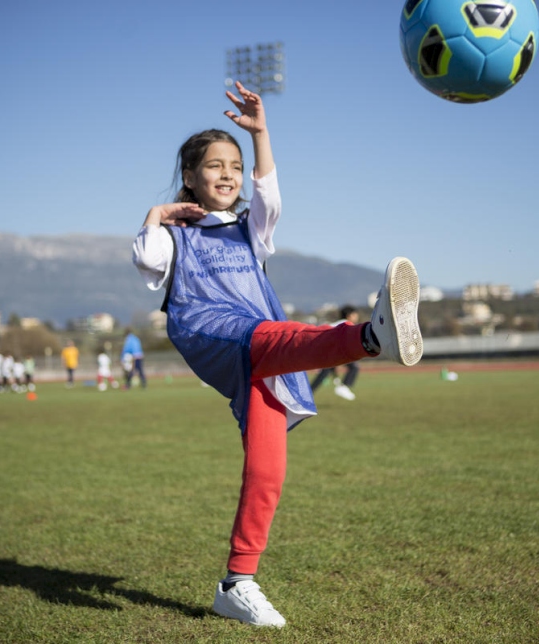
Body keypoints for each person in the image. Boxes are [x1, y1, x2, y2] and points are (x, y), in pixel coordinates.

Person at [131, 81, 422, 628]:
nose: (228, 175)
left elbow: (271, 198)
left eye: (235, 166)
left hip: (263, 348)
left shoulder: (250, 231)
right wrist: (155, 213)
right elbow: (146, 262)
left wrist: (261, 134)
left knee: (268, 471)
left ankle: (237, 583)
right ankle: (369, 337)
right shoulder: (174, 236)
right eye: (214, 165)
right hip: (212, 333)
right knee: (270, 335)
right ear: (189, 176)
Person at [309, 305, 361, 400]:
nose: (357, 316)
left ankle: (308, 394)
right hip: (328, 351)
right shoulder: (347, 324)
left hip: (325, 350)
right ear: (349, 315)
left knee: (324, 373)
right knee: (354, 367)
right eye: (355, 314)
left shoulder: (339, 323)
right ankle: (343, 387)